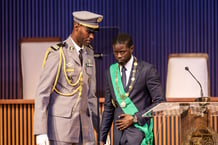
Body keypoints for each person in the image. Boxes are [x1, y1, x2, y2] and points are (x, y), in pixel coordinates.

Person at [33, 11, 103, 145]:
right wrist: (40, 131)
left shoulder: (89, 53)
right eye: (88, 31)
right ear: (76, 26)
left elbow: (91, 97)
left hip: (86, 131)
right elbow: (42, 93)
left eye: (94, 32)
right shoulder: (58, 53)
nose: (92, 36)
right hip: (62, 130)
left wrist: (101, 130)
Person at [100, 33, 165, 145]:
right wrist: (102, 138)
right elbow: (108, 108)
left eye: (122, 52)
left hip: (140, 135)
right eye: (116, 52)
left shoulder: (147, 70)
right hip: (118, 137)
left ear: (131, 49)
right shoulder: (110, 72)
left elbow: (161, 103)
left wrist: (135, 118)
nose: (119, 56)